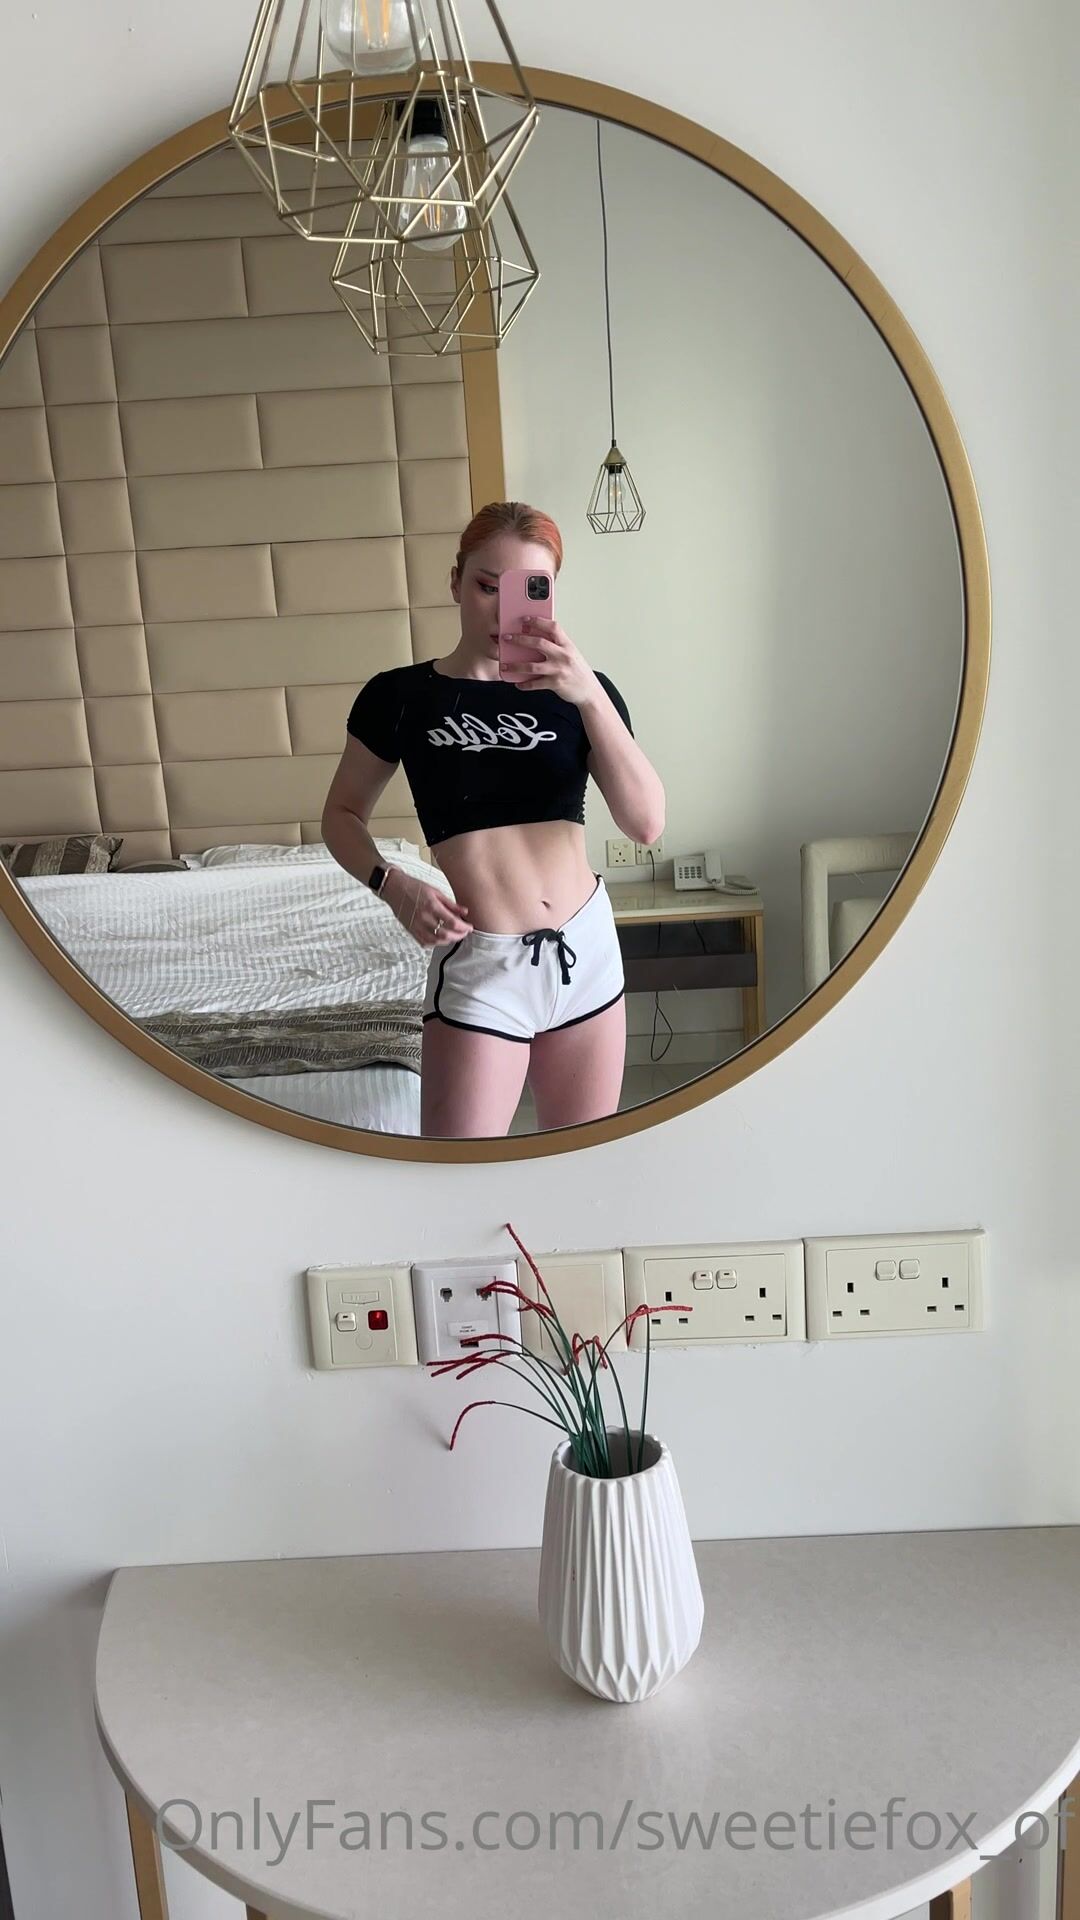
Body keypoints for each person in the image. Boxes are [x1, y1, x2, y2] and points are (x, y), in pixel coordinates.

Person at [322, 501, 665, 1138]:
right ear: (455, 582)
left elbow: (646, 824)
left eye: (529, 589)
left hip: (586, 951)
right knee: (459, 1179)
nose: (502, 609)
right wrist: (392, 885)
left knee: (581, 1167)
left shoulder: (584, 693)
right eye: (486, 586)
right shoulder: (400, 697)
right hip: (485, 965)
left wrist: (588, 694)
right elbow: (340, 815)